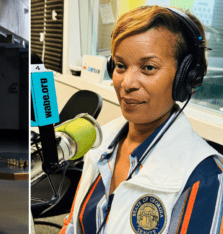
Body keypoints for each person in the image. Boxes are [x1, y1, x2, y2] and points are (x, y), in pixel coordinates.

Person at [60, 5, 223, 234]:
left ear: (186, 78)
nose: (127, 83)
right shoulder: (101, 139)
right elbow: (72, 224)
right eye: (120, 65)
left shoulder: (204, 176)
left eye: (148, 67)